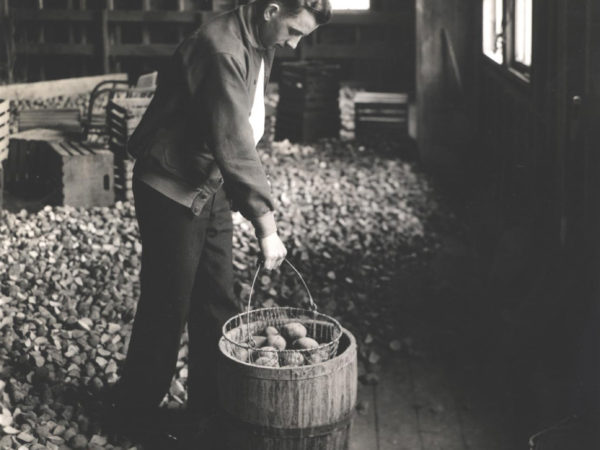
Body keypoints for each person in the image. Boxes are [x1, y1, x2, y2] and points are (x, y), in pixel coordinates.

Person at [105, 0, 332, 447]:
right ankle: (132, 418)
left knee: (218, 300)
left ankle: (210, 408)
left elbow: (240, 136)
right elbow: (234, 143)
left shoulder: (257, 37)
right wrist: (266, 227)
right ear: (271, 10)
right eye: (293, 30)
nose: (294, 43)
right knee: (168, 306)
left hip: (207, 183)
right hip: (170, 185)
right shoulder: (221, 49)